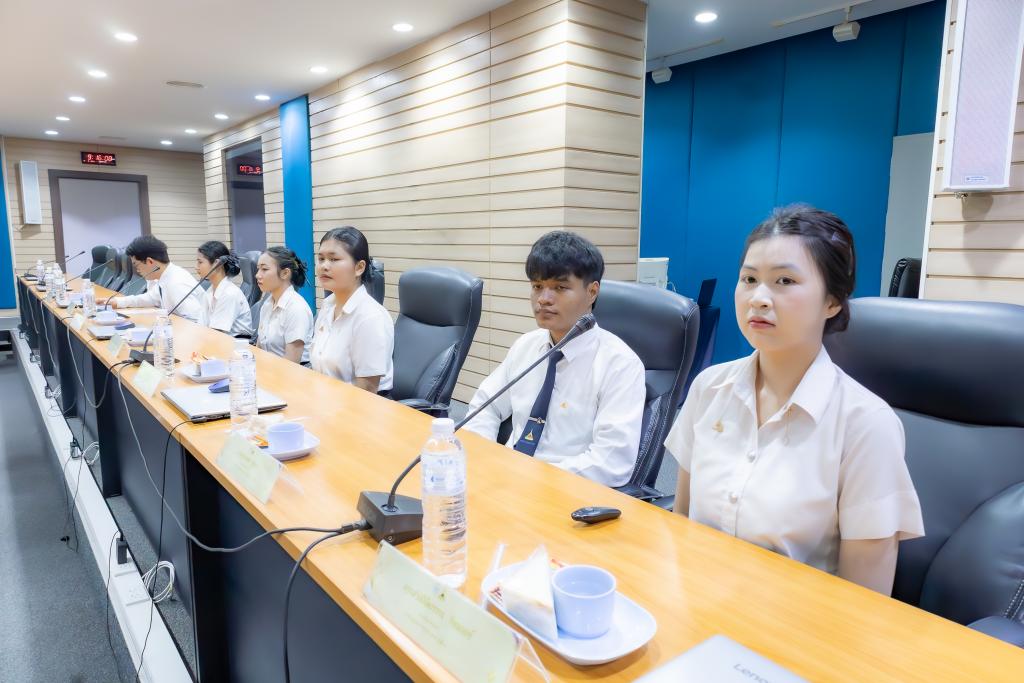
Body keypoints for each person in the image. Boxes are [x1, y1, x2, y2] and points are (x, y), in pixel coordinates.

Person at [665, 205, 923, 595]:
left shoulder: (866, 423)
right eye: (749, 279)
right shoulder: (708, 388)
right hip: (696, 606)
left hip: (794, 625)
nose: (758, 298)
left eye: (784, 281)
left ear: (832, 301)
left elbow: (865, 602)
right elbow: (683, 527)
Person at [463, 231, 645, 487]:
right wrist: (486, 457)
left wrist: (529, 477)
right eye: (537, 286)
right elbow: (485, 407)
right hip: (505, 480)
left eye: (560, 287)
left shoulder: (620, 364)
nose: (543, 299)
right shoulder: (526, 346)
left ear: (592, 292)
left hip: (566, 492)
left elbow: (611, 463)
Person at [309, 227, 393, 394]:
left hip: (359, 406)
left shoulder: (370, 317)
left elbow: (367, 390)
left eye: (334, 259)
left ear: (359, 267)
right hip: (323, 397)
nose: (324, 266)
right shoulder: (328, 306)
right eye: (321, 258)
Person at [107, 235, 203, 322]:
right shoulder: (164, 277)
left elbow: (196, 320)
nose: (137, 270)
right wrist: (117, 302)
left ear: (150, 261)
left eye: (136, 265)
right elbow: (151, 298)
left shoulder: (176, 283)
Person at [254, 246, 313, 364]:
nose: (257, 275)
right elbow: (259, 349)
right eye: (258, 269)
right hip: (269, 368)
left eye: (264, 269)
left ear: (285, 273)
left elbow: (291, 363)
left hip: (291, 372)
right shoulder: (267, 304)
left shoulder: (296, 308)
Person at [196, 241, 252, 337]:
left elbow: (216, 334)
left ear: (217, 264)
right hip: (218, 341)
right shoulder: (210, 291)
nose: (196, 267)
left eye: (200, 262)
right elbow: (201, 327)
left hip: (234, 343)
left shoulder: (229, 293)